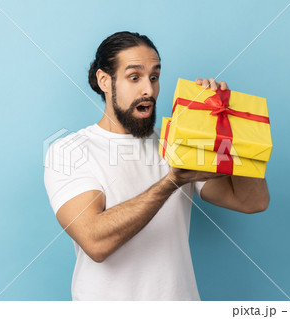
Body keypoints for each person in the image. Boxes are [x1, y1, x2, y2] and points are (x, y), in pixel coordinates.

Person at [44, 31, 270, 301]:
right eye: (134, 77)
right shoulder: (70, 151)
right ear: (105, 80)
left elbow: (251, 201)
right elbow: (95, 242)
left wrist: (229, 126)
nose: (149, 90)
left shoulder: (177, 142)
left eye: (154, 76)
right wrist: (171, 182)